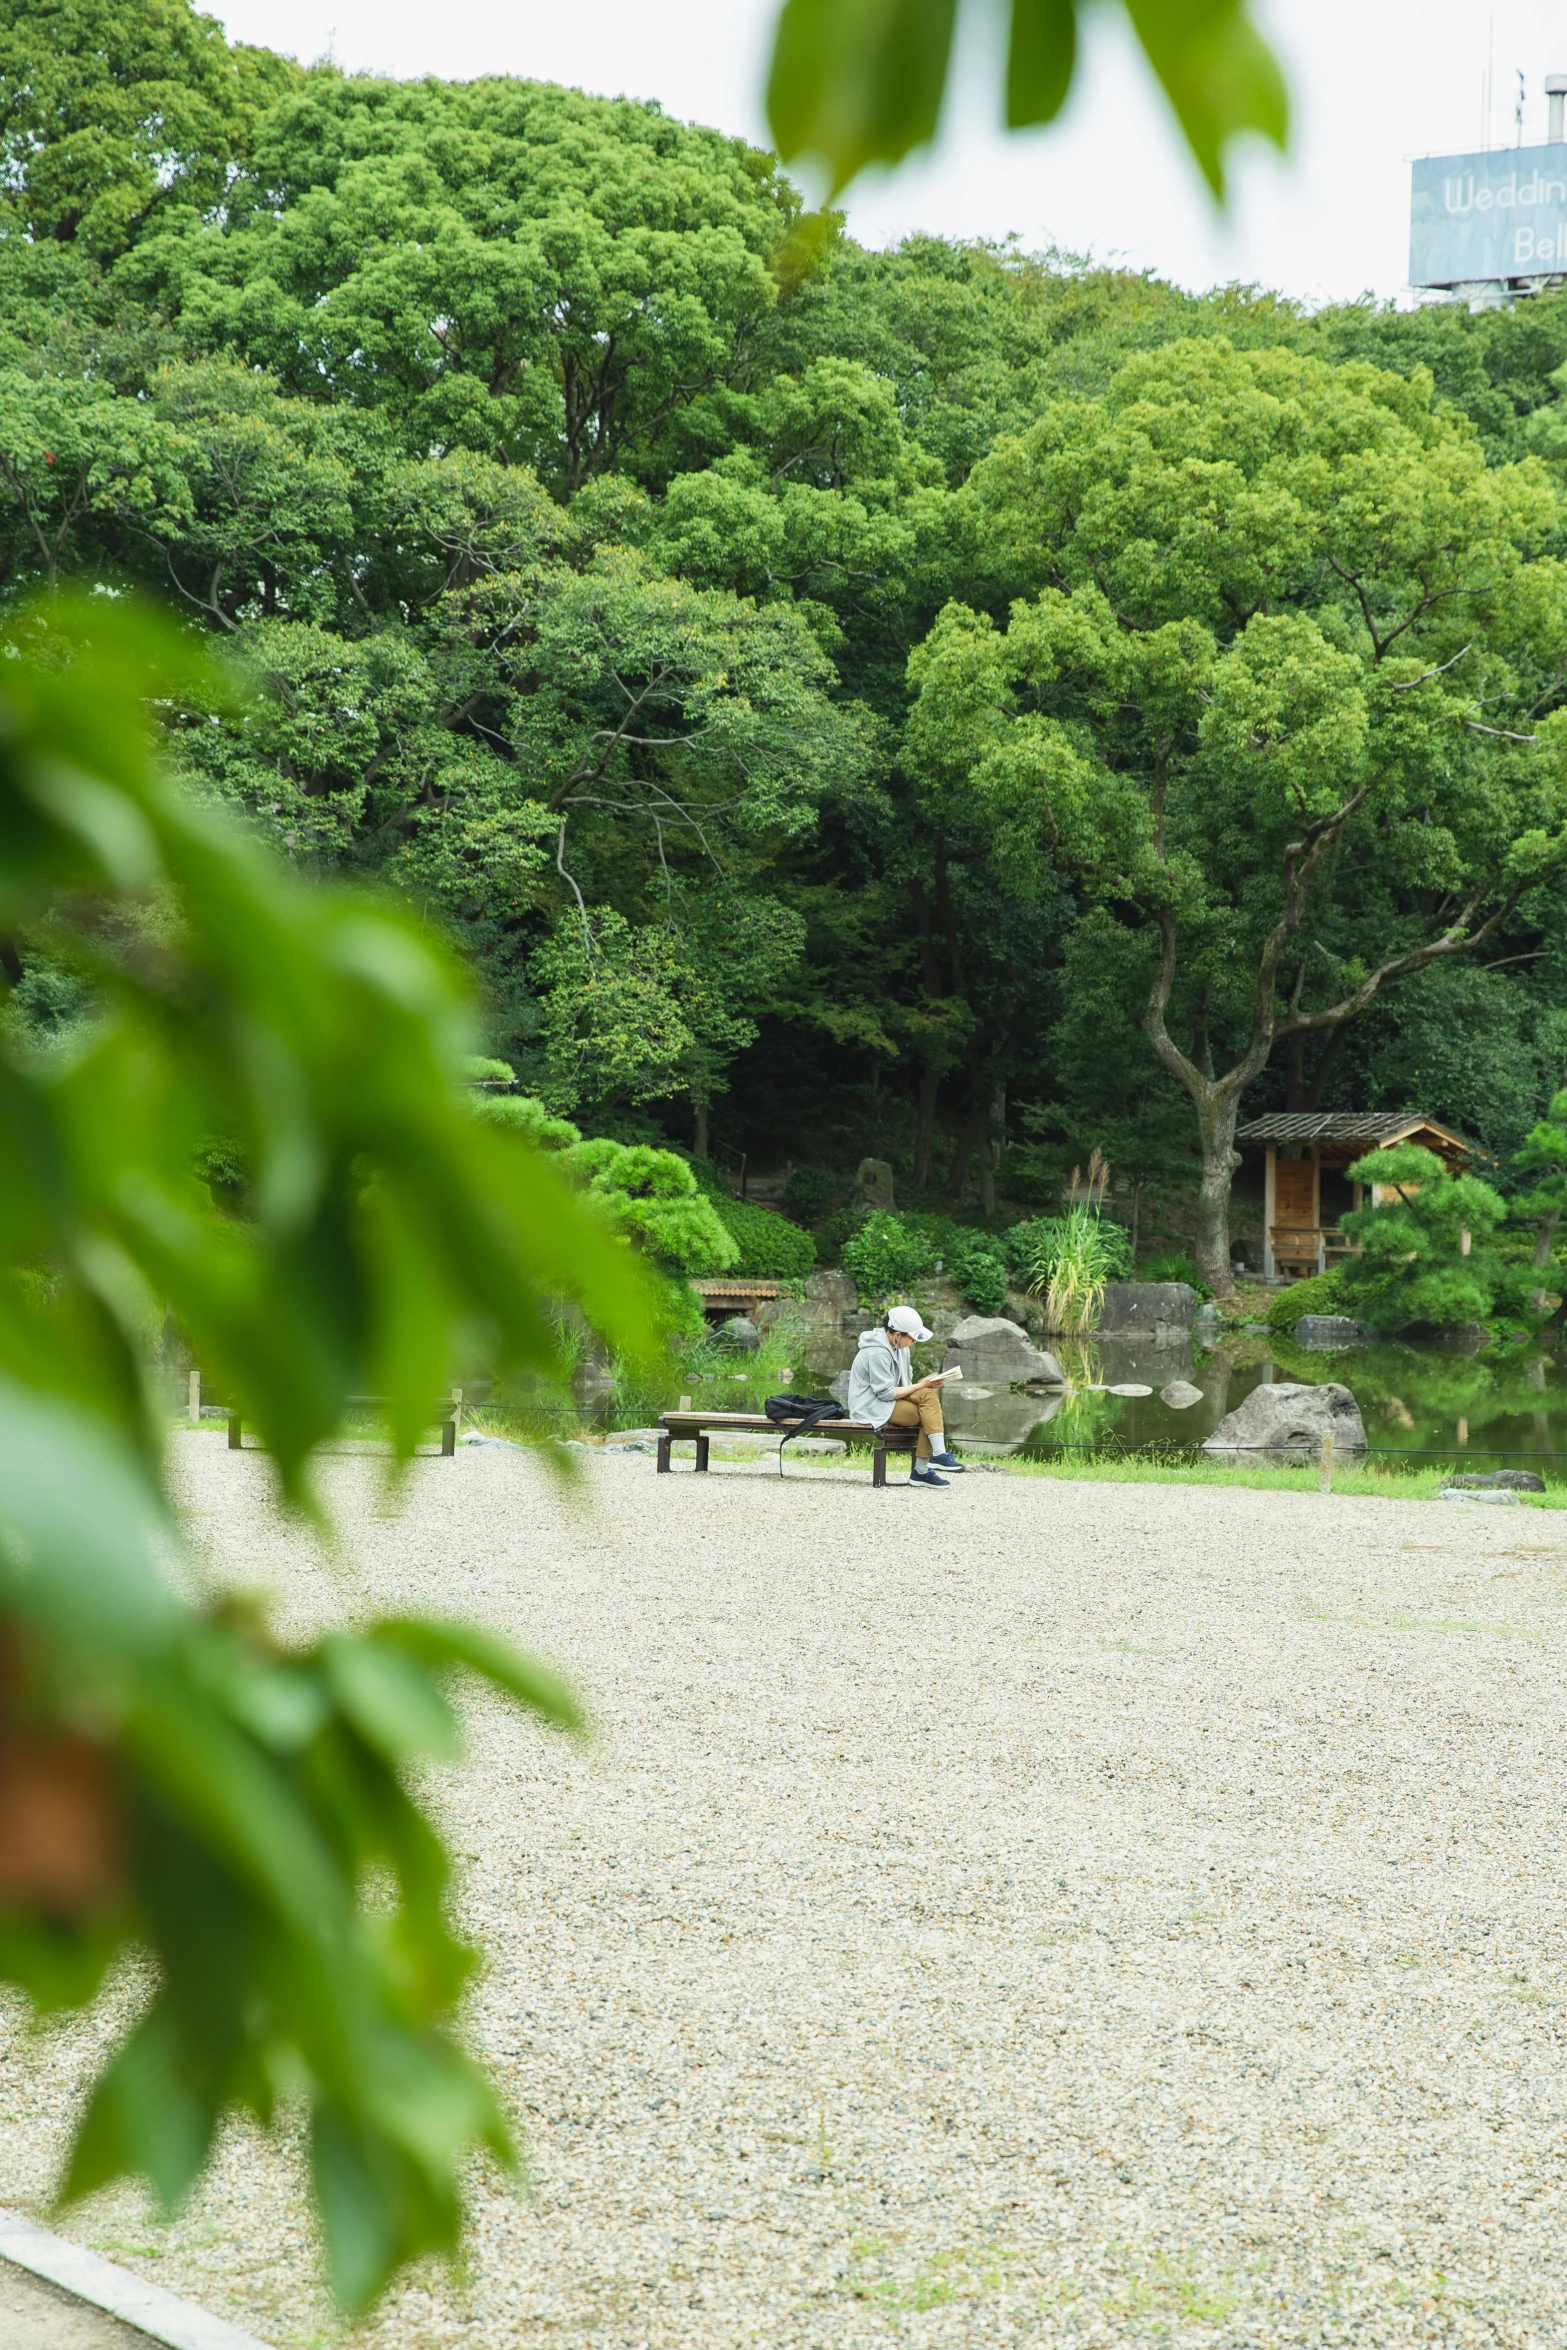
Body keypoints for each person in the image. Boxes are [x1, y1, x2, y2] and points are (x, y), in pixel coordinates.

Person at [845, 1304, 967, 1486]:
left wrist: (928, 1382)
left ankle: (936, 1457)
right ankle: (923, 1469)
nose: (914, 1343)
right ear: (897, 1334)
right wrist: (922, 1384)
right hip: (871, 1404)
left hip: (891, 1397)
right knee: (926, 1415)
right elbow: (885, 1393)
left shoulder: (901, 1348)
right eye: (912, 1338)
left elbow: (906, 1384)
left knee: (927, 1395)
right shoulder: (877, 1352)